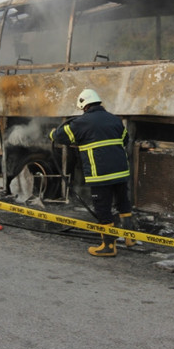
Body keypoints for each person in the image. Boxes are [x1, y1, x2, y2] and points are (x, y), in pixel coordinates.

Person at [48, 89, 134, 257]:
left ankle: (109, 247)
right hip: (121, 172)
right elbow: (125, 139)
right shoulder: (115, 120)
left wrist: (51, 133)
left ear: (83, 105)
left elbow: (59, 136)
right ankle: (131, 238)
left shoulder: (81, 122)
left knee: (103, 208)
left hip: (100, 174)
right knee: (123, 202)